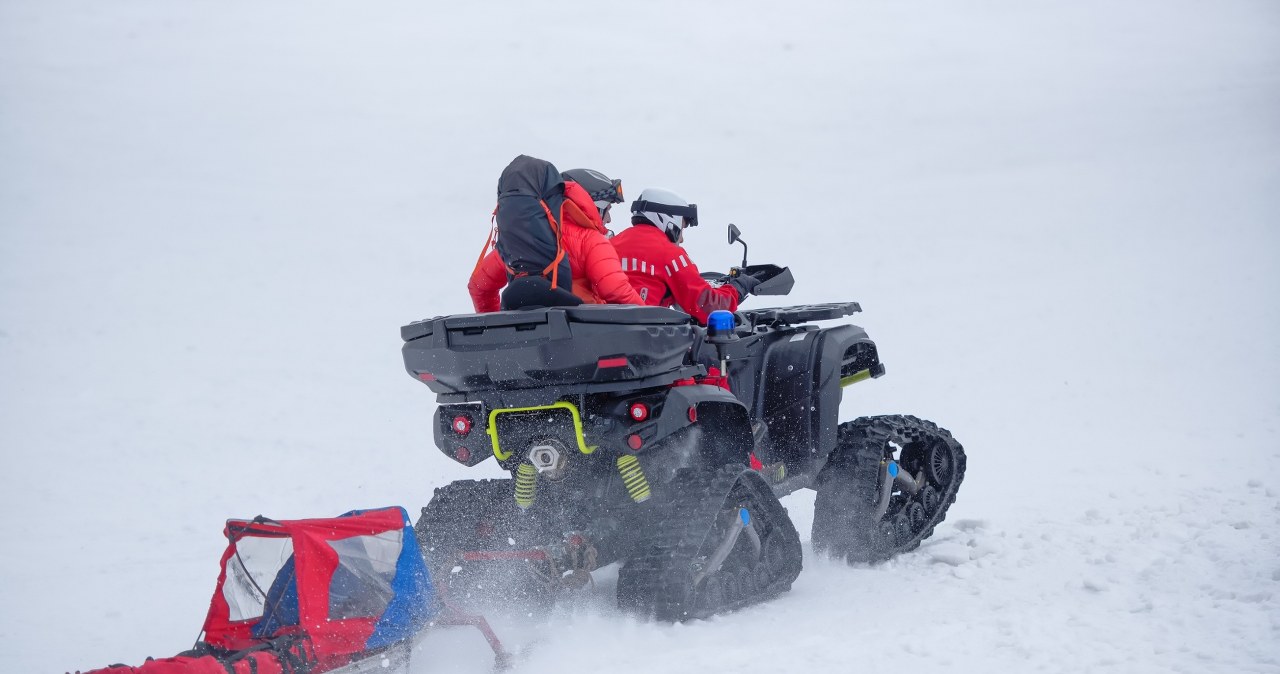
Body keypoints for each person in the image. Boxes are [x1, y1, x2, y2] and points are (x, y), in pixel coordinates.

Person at [468, 168, 642, 312]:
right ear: (593, 206)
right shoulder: (591, 241)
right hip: (584, 340)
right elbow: (616, 291)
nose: (609, 219)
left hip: (528, 345)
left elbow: (479, 285)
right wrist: (654, 317)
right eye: (608, 209)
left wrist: (497, 327)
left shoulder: (521, 240)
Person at [608, 188, 760, 324]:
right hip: (644, 343)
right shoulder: (668, 254)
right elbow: (709, 307)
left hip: (607, 335)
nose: (681, 239)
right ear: (667, 218)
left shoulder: (610, 244)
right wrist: (739, 287)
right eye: (682, 228)